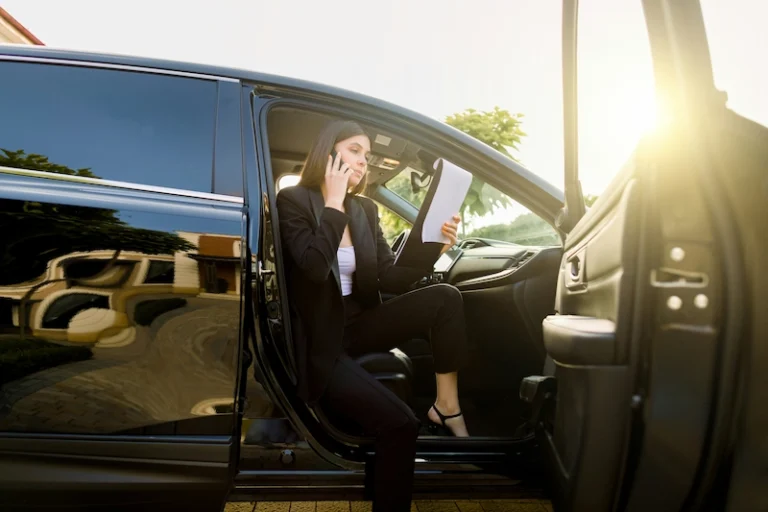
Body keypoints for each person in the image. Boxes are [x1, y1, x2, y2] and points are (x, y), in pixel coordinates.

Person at [276, 120, 469, 512]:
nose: (363, 161)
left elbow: (388, 277)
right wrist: (332, 204)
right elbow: (313, 268)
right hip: (322, 339)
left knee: (446, 298)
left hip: (360, 324)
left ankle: (446, 405)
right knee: (399, 424)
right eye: (354, 150)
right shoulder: (293, 202)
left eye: (366, 154)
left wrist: (437, 244)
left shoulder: (364, 209)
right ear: (329, 153)